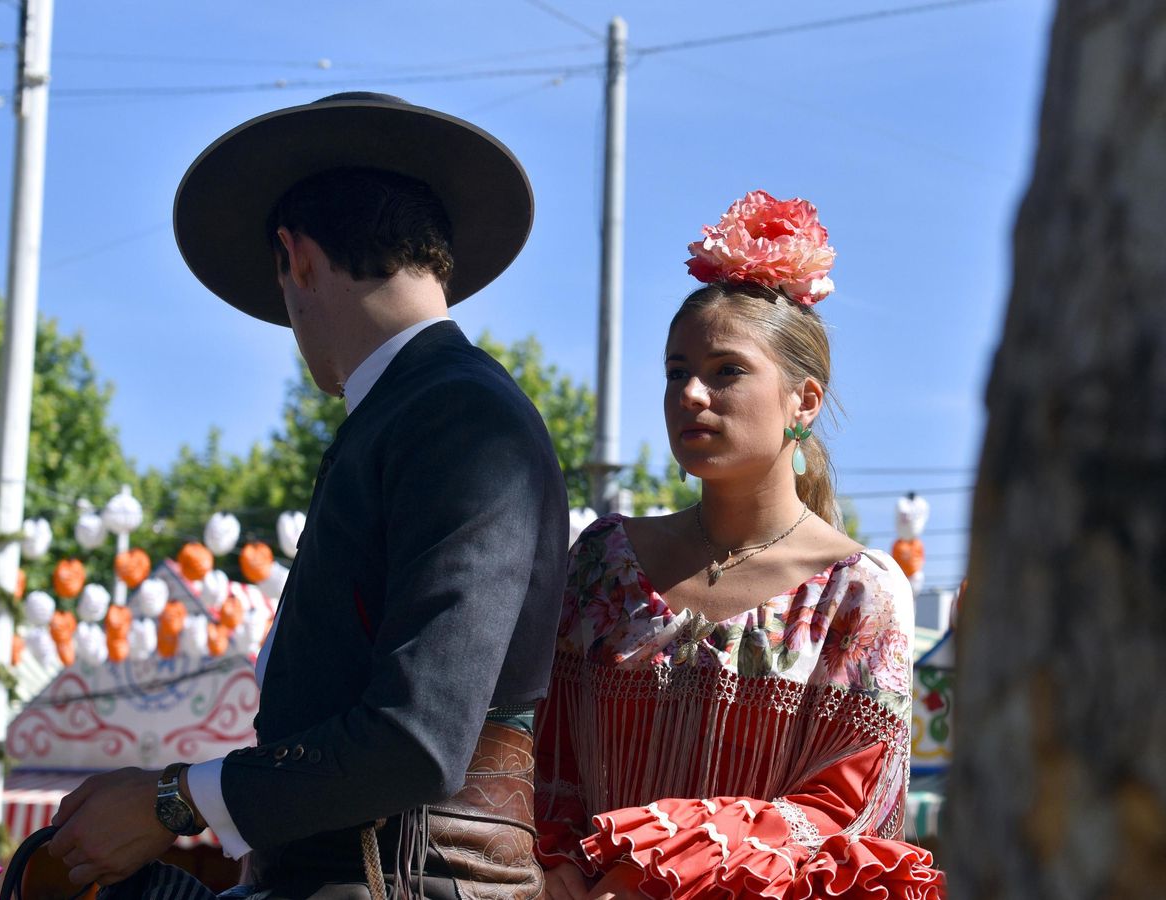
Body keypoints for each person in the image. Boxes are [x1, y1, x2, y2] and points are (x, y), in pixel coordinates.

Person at [47, 93, 569, 900]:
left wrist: (172, 798)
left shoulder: (456, 413)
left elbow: (416, 741)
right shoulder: (419, 409)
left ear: (295, 258)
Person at [534, 191, 945, 899]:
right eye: (675, 371)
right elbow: (546, 759)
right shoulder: (604, 562)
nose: (691, 393)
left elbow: (844, 818)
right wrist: (559, 863)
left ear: (804, 401)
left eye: (726, 370)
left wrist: (657, 869)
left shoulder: (854, 595)